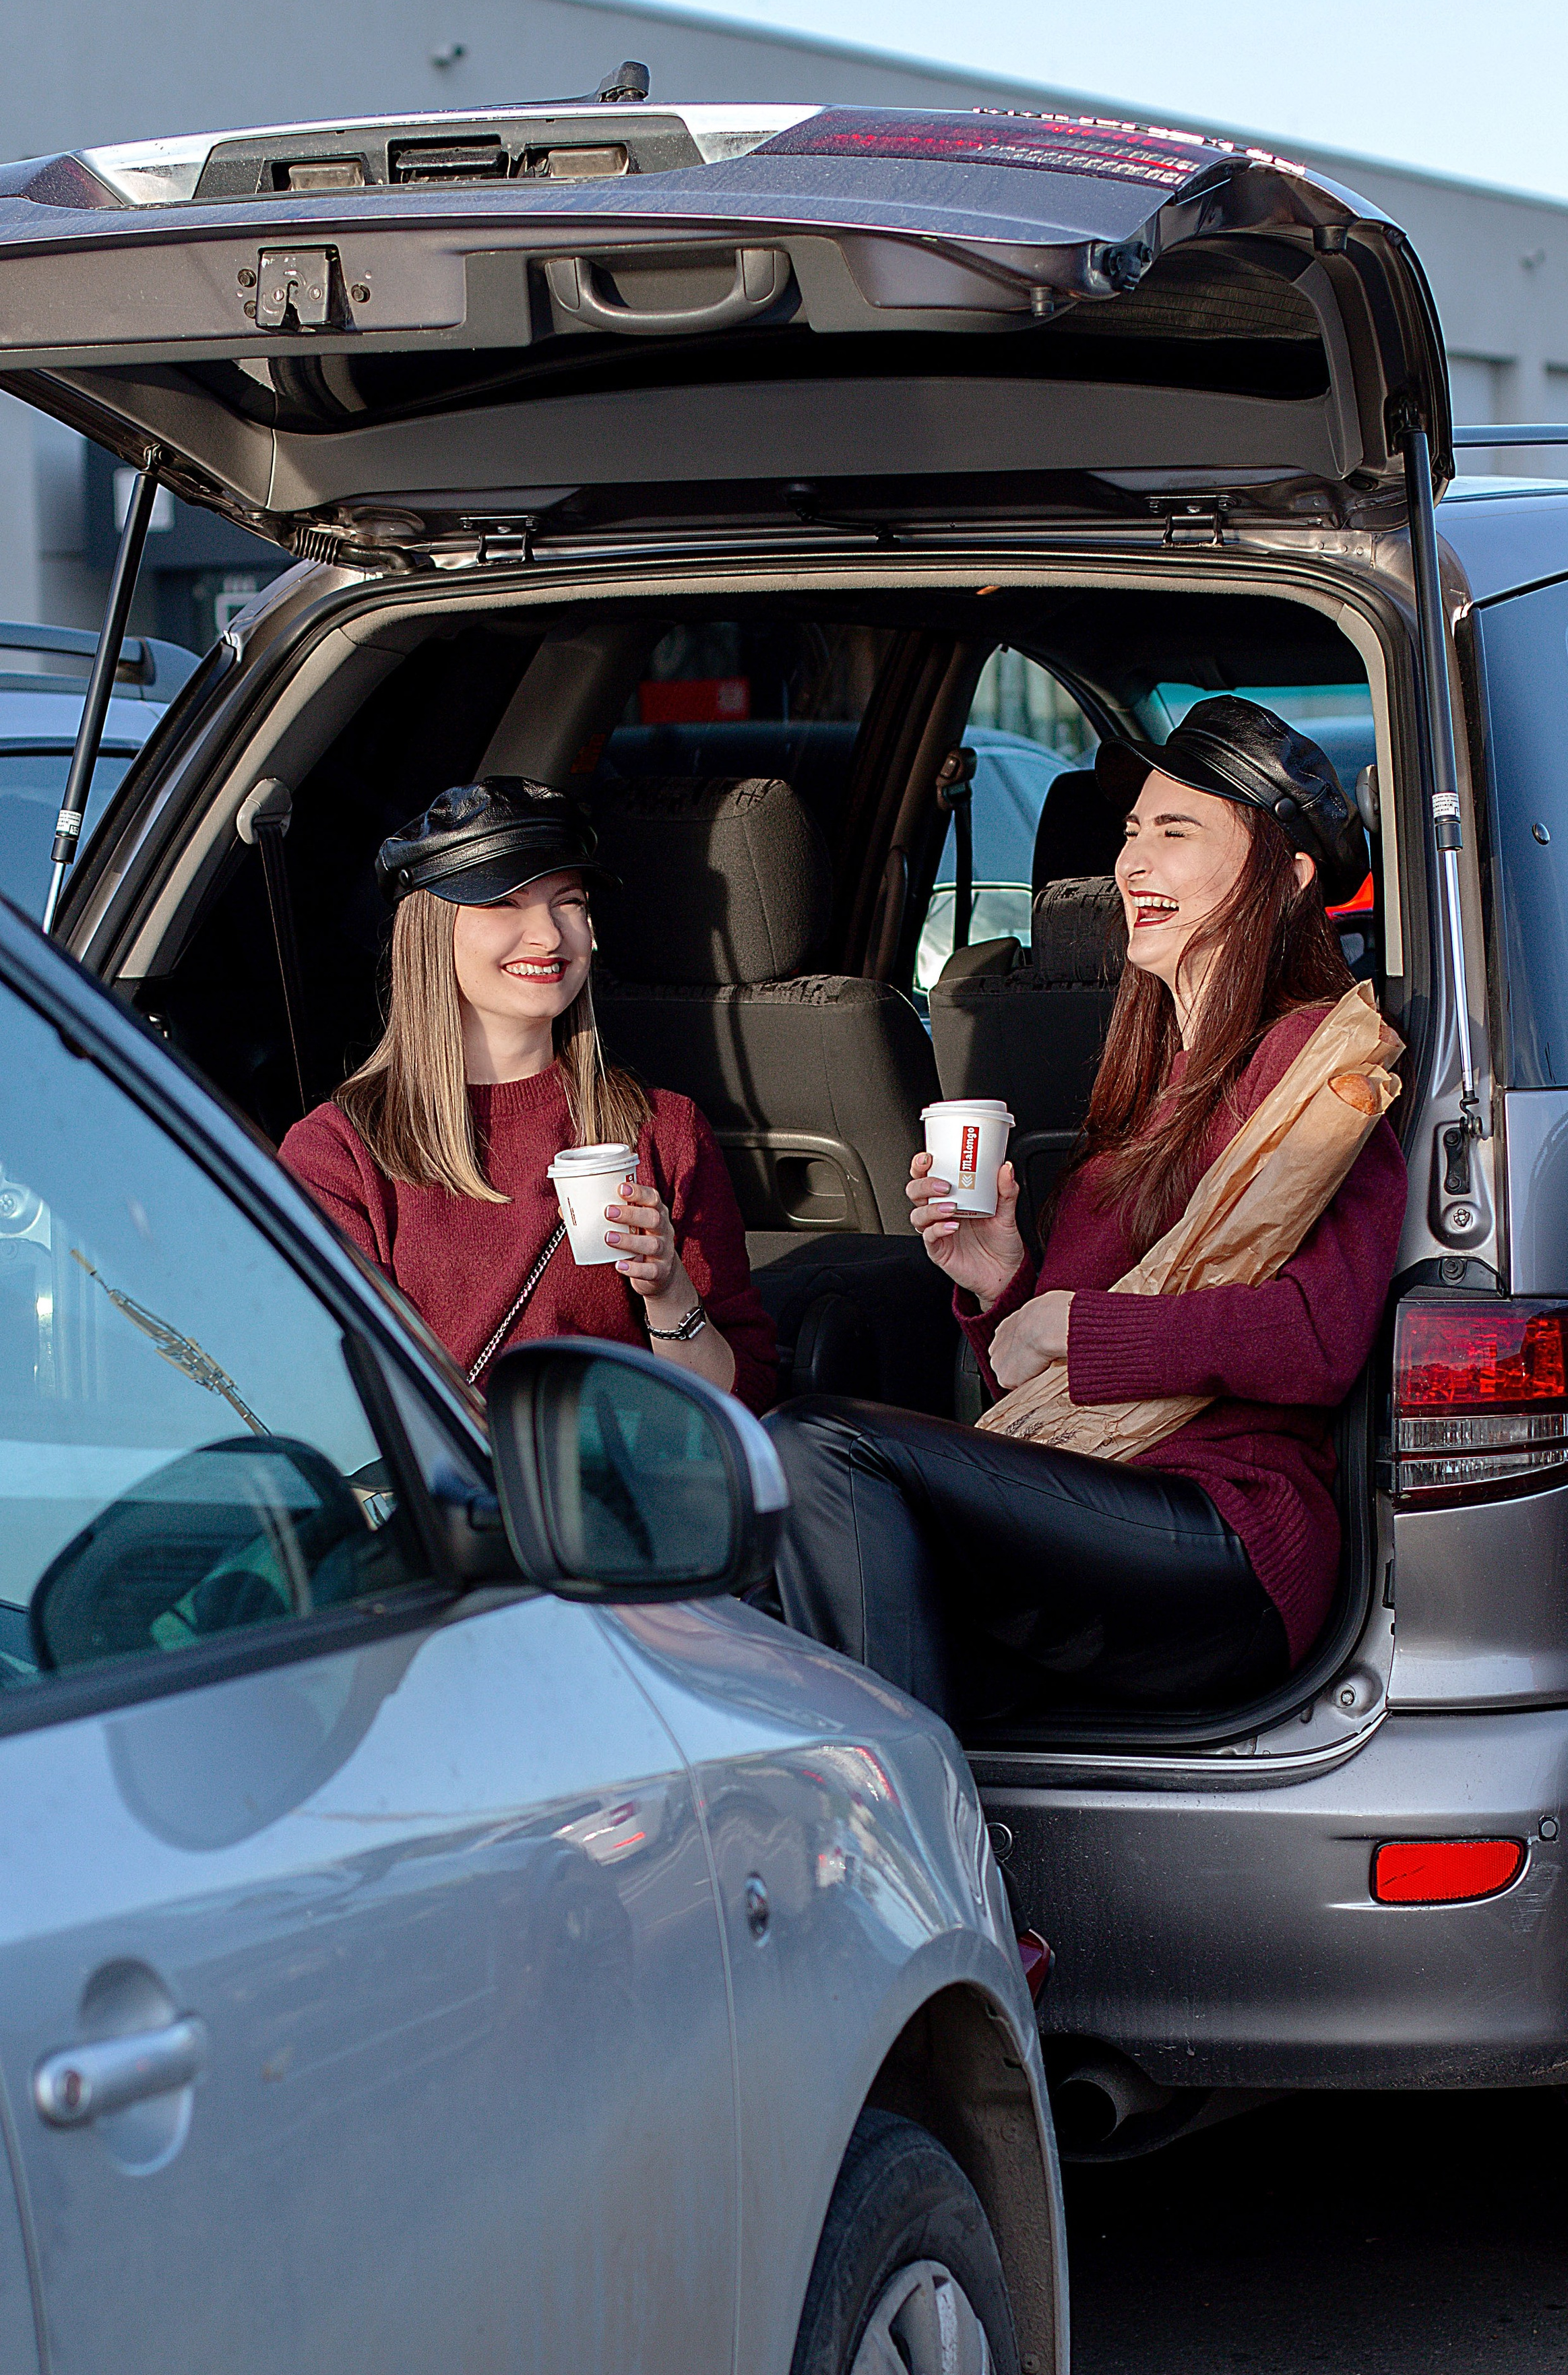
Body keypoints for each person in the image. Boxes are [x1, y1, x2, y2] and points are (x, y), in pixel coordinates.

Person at [766, 698, 1408, 1725]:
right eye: (1130, 833)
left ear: (1285, 879)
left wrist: (1073, 1320)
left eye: (1176, 832)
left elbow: (1320, 1340)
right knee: (767, 1568)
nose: (1132, 863)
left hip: (1230, 1536)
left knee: (824, 1445)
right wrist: (1000, 1283)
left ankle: (893, 1834)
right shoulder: (1141, 1089)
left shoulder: (1316, 1069)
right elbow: (1047, 1382)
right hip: (1099, 1501)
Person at [279, 777, 776, 1406]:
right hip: (452, 1497)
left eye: (567, 901)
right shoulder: (337, 1155)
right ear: (432, 935)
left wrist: (667, 1291)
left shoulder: (664, 1130)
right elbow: (335, 1397)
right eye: (505, 903)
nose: (547, 936)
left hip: (619, 1494)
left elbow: (747, 1398)